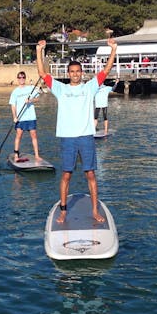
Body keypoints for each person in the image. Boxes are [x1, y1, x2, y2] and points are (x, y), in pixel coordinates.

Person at [36, 37, 118, 223]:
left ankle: (95, 210)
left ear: (82, 73)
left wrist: (113, 49)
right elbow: (42, 73)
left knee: (90, 174)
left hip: (86, 137)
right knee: (66, 174)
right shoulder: (60, 88)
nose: (75, 74)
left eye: (78, 71)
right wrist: (39, 51)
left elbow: (106, 70)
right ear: (68, 73)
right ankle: (64, 210)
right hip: (67, 138)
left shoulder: (90, 87)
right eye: (72, 72)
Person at [8, 71, 42, 162]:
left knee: (34, 135)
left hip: (31, 117)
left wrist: (31, 100)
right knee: (18, 135)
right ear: (17, 79)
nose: (21, 79)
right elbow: (13, 105)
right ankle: (16, 155)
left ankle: (37, 155)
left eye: (23, 77)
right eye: (20, 77)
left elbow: (38, 98)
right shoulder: (15, 91)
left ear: (25, 78)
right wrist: (14, 117)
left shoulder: (31, 88)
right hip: (20, 118)